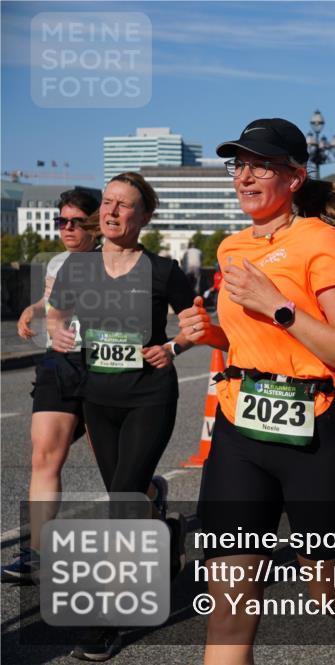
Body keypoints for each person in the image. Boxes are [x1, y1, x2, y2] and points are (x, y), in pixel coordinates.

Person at [177, 118, 335, 665]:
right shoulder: (231, 246)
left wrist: (277, 305)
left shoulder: (321, 240)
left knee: (327, 594)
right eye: (239, 165)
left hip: (318, 436)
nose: (245, 176)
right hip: (241, 431)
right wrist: (208, 333)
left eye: (261, 165)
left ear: (294, 177)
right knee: (230, 602)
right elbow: (251, 340)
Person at [46, 173, 193, 661]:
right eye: (107, 202)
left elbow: (201, 320)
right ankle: (162, 524)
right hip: (98, 399)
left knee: (121, 506)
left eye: (123, 205)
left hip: (149, 397)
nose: (110, 212)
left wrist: (172, 346)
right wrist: (59, 331)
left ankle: (107, 617)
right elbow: (55, 312)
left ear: (143, 216)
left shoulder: (162, 270)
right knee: (126, 497)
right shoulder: (78, 267)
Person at [1, 191, 107, 582]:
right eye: (61, 222)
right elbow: (52, 303)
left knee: (110, 461)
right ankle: (37, 556)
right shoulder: (59, 262)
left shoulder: (116, 261)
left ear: (95, 223)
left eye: (75, 222)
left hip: (102, 366)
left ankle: (150, 495)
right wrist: (31, 310)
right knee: (44, 457)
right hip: (58, 365)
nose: (66, 229)